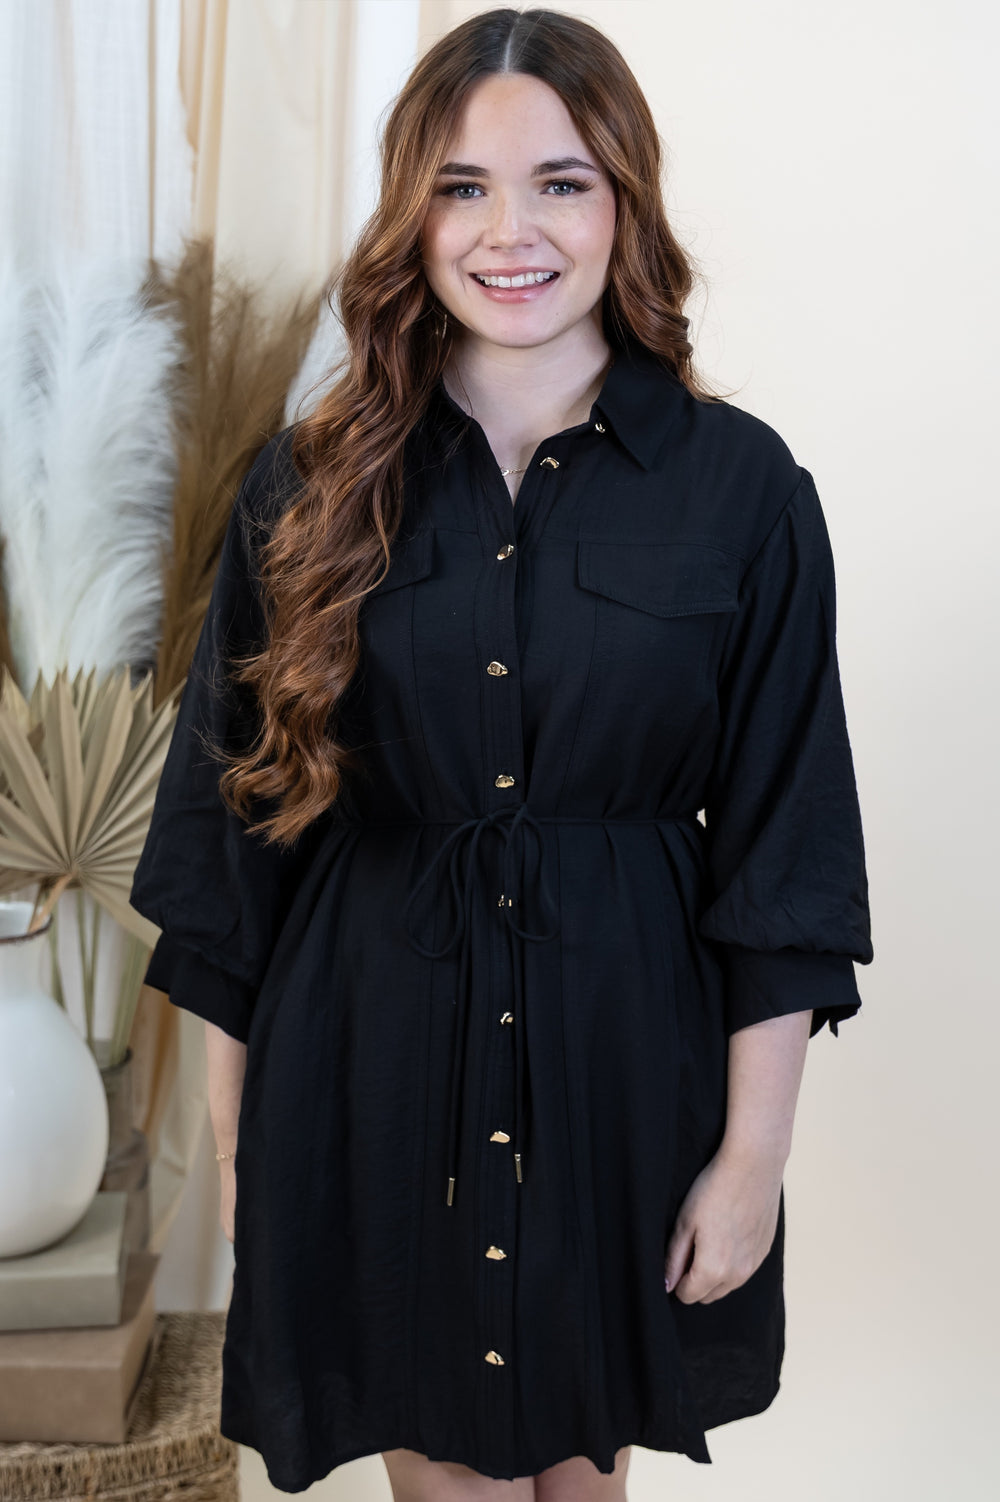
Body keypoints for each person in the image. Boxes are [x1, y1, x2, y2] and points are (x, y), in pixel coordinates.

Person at [129, 7, 874, 1500]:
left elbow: (786, 854)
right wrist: (244, 1153)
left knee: (589, 1476)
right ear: (411, 214)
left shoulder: (742, 490)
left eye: (561, 184)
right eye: (461, 187)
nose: (508, 231)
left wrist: (752, 1161)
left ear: (625, 203)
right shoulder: (306, 484)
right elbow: (234, 838)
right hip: (374, 1067)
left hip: (625, 1074)